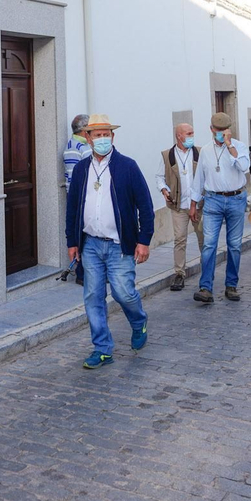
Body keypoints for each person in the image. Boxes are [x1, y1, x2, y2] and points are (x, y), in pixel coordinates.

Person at [65, 114, 154, 369]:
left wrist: (144, 240)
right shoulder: (82, 169)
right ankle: (102, 348)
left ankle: (138, 322)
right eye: (97, 135)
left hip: (119, 244)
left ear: (112, 137)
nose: (103, 139)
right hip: (90, 244)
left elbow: (145, 206)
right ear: (88, 138)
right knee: (93, 296)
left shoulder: (127, 166)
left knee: (123, 293)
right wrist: (72, 242)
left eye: (107, 134)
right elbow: (72, 208)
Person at [191, 112, 251, 303]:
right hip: (212, 200)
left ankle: (231, 285)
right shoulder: (206, 151)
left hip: (236, 199)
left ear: (229, 130)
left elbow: (244, 167)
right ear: (211, 130)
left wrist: (229, 145)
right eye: (217, 131)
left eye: (224, 131)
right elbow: (199, 178)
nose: (220, 134)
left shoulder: (239, 147)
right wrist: (193, 203)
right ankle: (205, 287)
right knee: (209, 245)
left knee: (234, 245)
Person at [156, 122, 201, 291]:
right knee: (180, 239)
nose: (191, 136)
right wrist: (164, 189)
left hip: (198, 205)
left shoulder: (199, 152)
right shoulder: (168, 155)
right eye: (188, 133)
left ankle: (207, 271)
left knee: (204, 239)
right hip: (178, 205)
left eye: (192, 133)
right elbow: (159, 177)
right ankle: (179, 273)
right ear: (179, 136)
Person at [61, 115, 92, 283]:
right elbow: (75, 178)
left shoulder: (85, 145)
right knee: (83, 236)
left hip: (91, 197)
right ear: (83, 129)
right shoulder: (73, 147)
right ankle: (82, 274)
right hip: (82, 198)